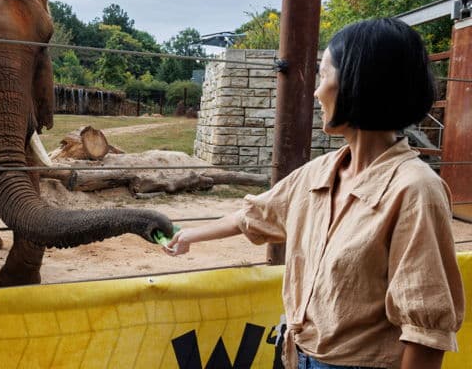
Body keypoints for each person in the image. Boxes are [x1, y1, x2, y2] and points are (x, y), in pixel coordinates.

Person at [165, 18, 464, 369]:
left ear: (357, 83)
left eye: (323, 76)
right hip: (297, 356)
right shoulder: (318, 173)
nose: (316, 91)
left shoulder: (414, 189)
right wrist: (190, 235)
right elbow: (255, 215)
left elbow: (425, 333)